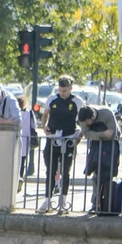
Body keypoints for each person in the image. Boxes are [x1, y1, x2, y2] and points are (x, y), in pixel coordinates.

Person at [43, 77, 83, 207]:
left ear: (70, 88)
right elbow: (45, 115)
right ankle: (47, 200)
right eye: (60, 90)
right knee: (50, 170)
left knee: (66, 170)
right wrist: (44, 126)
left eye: (64, 90)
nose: (62, 93)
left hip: (68, 139)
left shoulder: (77, 102)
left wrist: (78, 136)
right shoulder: (52, 99)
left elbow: (83, 121)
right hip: (53, 138)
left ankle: (63, 200)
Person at [78, 104, 122, 215]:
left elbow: (112, 134)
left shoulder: (106, 113)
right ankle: (96, 204)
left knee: (108, 175)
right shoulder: (82, 118)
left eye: (88, 122)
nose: (87, 124)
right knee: (96, 176)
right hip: (96, 148)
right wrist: (102, 134)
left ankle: (107, 205)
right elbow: (87, 134)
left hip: (110, 148)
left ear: (93, 117)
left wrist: (96, 135)